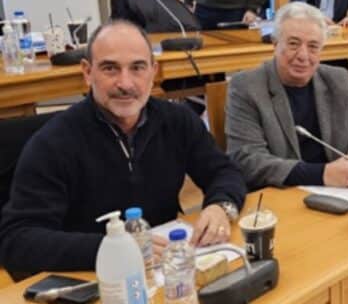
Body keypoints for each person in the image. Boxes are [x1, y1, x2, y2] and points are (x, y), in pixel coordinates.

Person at [0, 20, 247, 275]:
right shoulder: (53, 143)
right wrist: (112, 249)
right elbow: (17, 241)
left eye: (137, 68)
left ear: (153, 71)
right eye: (110, 68)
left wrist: (221, 206)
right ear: (87, 72)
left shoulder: (177, 121)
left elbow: (224, 172)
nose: (125, 83)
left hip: (166, 272)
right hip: (92, 279)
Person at [226, 2, 348, 191]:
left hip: (339, 192)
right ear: (275, 44)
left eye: (313, 47)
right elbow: (248, 160)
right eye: (293, 44)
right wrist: (322, 174)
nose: (303, 55)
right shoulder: (246, 87)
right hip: (280, 194)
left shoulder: (338, 80)